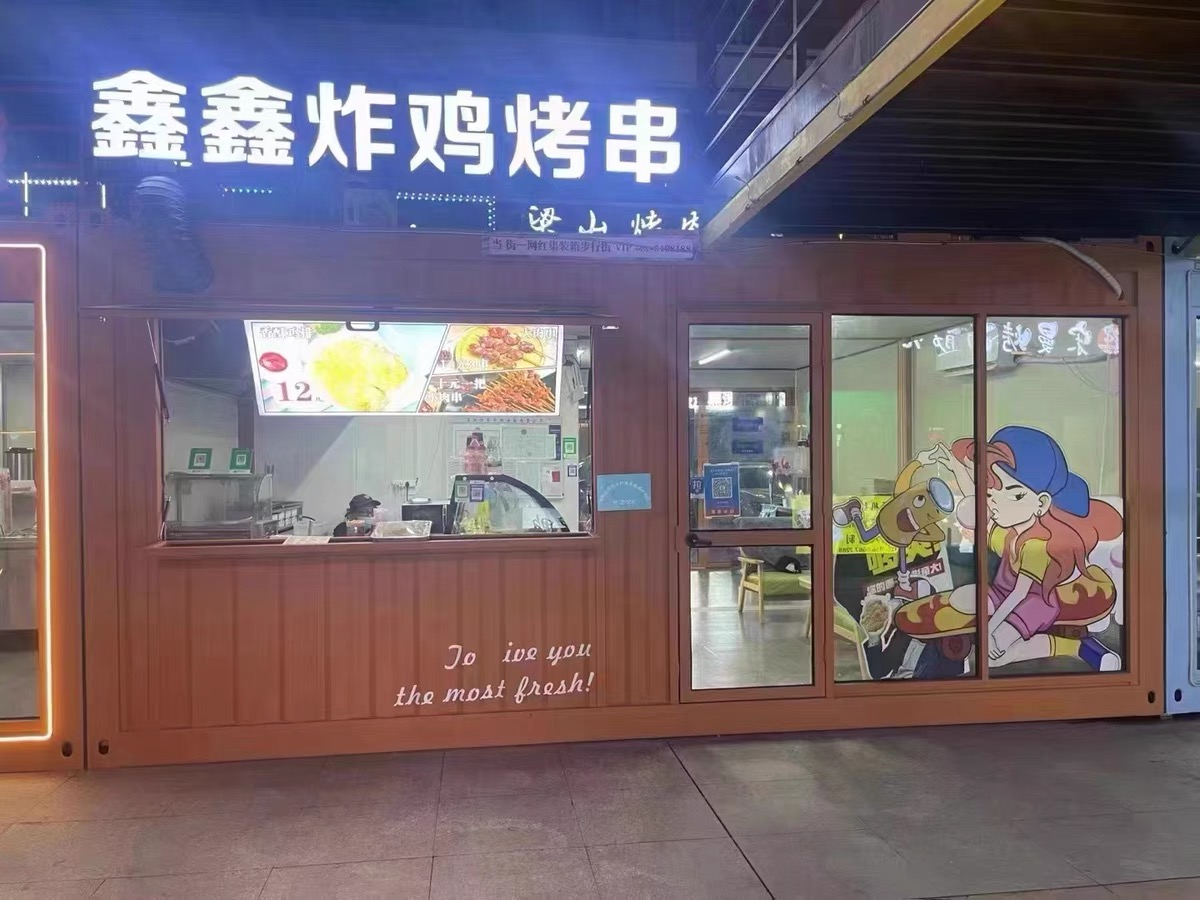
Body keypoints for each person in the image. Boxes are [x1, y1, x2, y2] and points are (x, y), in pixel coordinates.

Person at [929, 426, 1123, 670]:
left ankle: (1078, 647)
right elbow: (974, 494)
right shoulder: (1007, 532)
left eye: (1015, 495)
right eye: (991, 494)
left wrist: (990, 629)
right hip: (1002, 594)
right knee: (959, 600)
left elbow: (1019, 595)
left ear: (1042, 503)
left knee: (991, 656)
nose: (995, 503)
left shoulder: (1037, 547)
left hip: (1033, 605)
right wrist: (954, 465)